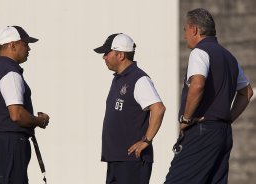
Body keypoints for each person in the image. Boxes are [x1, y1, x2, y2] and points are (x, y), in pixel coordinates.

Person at [164, 8, 254, 184]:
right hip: (223, 133)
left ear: (195, 30)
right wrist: (227, 119)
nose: (184, 36)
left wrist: (186, 118)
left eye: (185, 30)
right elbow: (247, 92)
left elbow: (197, 84)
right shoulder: (230, 57)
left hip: (201, 132)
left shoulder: (200, 52)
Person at [94, 33, 166, 184]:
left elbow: (158, 109)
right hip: (116, 160)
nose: (104, 57)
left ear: (120, 55)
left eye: (107, 53)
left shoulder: (139, 79)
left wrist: (146, 141)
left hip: (132, 160)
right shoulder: (119, 79)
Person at [0, 26, 50, 184]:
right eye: (25, 44)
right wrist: (39, 121)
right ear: (12, 45)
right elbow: (17, 114)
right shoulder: (10, 72)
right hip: (10, 142)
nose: (29, 48)